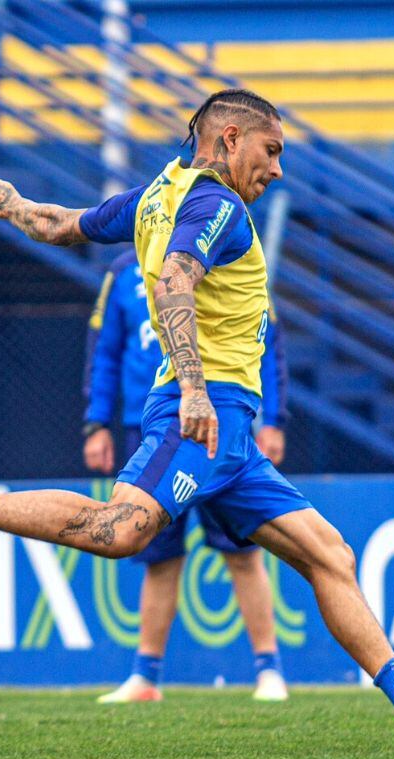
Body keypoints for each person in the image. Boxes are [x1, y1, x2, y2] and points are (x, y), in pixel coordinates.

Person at [0, 88, 394, 749]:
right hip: (203, 412)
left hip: (232, 434)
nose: (276, 169)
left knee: (330, 555)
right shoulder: (218, 206)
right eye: (270, 151)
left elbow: (65, 224)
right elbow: (175, 281)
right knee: (120, 530)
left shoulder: (156, 198)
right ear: (228, 141)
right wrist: (193, 388)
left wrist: (15, 207)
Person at [82, 248, 290, 702]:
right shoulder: (122, 271)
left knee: (242, 552)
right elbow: (105, 351)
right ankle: (145, 677)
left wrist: (273, 417)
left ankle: (269, 670)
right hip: (153, 429)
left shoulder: (226, 252)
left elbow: (266, 338)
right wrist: (97, 422)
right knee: (159, 556)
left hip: (218, 424)